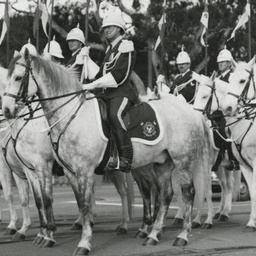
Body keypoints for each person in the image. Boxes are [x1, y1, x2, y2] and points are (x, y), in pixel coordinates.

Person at [82, 11, 138, 173]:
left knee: (115, 115)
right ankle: (110, 155)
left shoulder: (126, 46)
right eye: (105, 28)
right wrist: (87, 59)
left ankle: (126, 156)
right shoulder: (110, 50)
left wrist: (92, 85)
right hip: (107, 94)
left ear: (120, 29)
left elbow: (118, 76)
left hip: (123, 93)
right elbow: (100, 75)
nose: (106, 30)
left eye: (110, 27)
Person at [215, 46, 240, 171]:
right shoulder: (217, 78)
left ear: (229, 63)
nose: (220, 64)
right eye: (219, 62)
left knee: (225, 129)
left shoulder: (232, 76)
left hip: (231, 112)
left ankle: (232, 158)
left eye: (223, 62)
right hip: (218, 110)